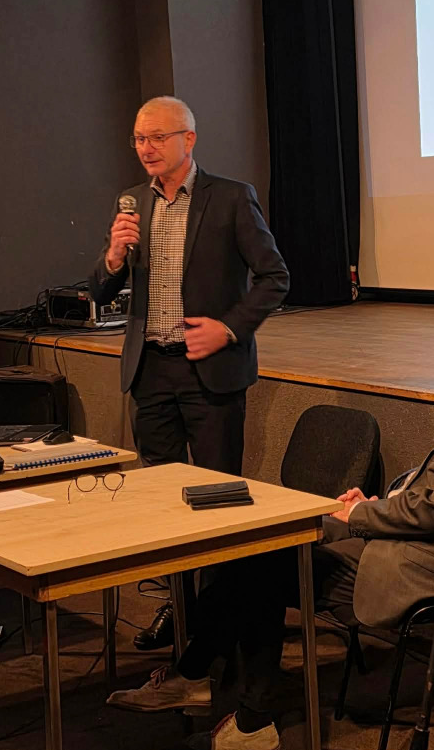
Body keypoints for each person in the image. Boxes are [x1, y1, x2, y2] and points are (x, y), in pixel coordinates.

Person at [107, 309, 434, 750]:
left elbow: (433, 514)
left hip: (424, 565)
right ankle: (197, 678)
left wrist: (362, 514)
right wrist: (378, 501)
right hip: (404, 537)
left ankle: (243, 716)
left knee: (263, 568)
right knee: (259, 549)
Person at [89, 96, 289, 648]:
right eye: (139, 138)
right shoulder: (132, 203)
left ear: (189, 139)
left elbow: (275, 277)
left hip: (210, 371)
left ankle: (217, 621)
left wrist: (229, 328)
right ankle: (179, 611)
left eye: (157, 137)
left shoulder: (231, 198)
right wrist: (112, 257)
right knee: (161, 500)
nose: (146, 148)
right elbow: (100, 290)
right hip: (150, 371)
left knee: (215, 497)